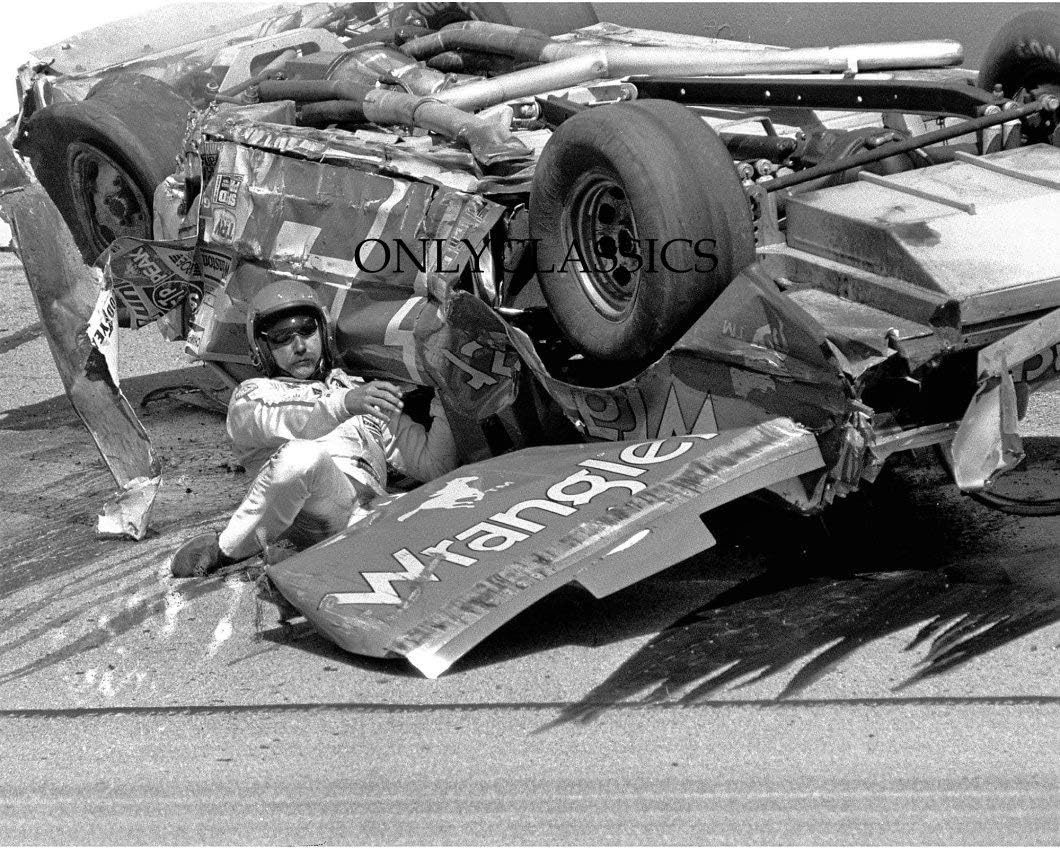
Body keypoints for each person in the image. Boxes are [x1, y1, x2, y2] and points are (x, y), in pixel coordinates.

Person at [170, 280, 459, 577]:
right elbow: (293, 418)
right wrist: (344, 403)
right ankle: (227, 549)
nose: (299, 346)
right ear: (262, 349)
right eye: (282, 337)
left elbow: (434, 466)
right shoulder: (252, 395)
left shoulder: (356, 392)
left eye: (307, 330)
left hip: (373, 515)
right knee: (301, 457)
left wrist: (448, 389)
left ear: (323, 332)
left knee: (467, 496)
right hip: (309, 525)